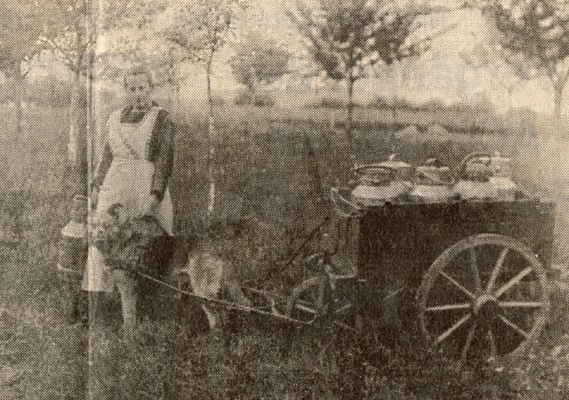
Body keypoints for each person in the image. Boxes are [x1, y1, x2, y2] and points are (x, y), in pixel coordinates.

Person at [82, 65, 175, 336]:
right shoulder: (114, 119)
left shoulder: (162, 119)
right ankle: (98, 307)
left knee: (151, 240)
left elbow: (164, 159)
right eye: (132, 89)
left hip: (145, 185)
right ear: (127, 91)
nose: (138, 94)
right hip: (115, 184)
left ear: (151, 89)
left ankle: (148, 306)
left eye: (142, 88)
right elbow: (105, 157)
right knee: (103, 240)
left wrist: (155, 195)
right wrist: (97, 186)